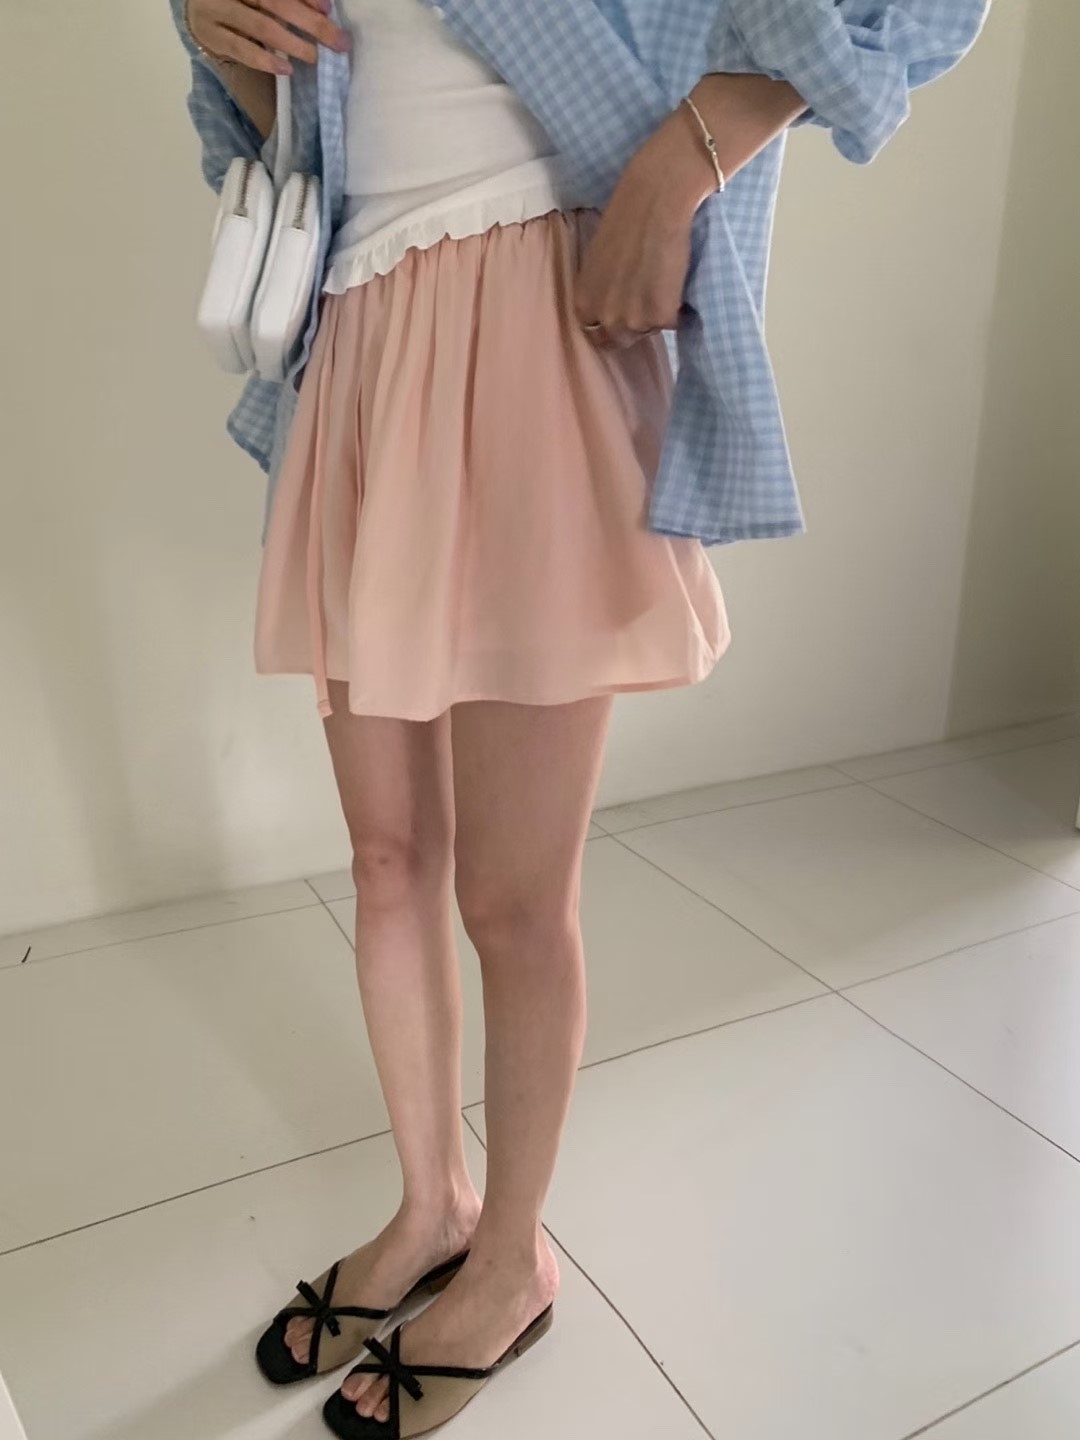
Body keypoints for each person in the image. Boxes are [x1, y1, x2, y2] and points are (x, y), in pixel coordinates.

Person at [171, 3, 988, 1436]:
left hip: (536, 308)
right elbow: (279, 130)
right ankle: (432, 1206)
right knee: (386, 860)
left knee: (511, 896)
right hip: (358, 333)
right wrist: (207, 24)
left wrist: (688, 156)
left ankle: (513, 1260)